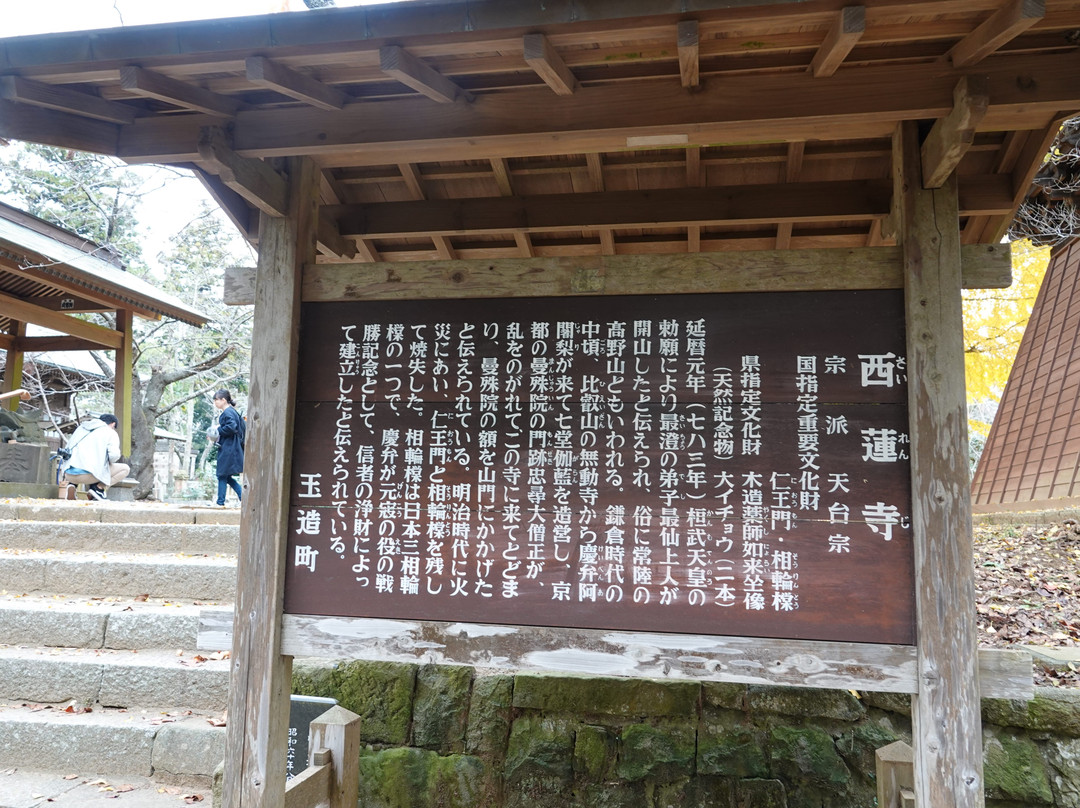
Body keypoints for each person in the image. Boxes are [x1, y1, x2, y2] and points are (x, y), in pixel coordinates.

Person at [60, 413, 130, 501]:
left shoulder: (81, 429)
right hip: (89, 475)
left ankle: (72, 484)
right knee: (125, 469)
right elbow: (114, 456)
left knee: (82, 460)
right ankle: (98, 489)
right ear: (113, 424)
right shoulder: (110, 432)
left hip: (68, 473)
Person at [212, 389, 245, 507]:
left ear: (223, 400)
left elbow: (232, 427)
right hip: (231, 447)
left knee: (222, 475)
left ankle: (220, 502)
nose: (215, 402)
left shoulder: (228, 412)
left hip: (229, 447)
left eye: (216, 400)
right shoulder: (231, 412)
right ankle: (243, 498)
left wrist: (217, 430)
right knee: (225, 476)